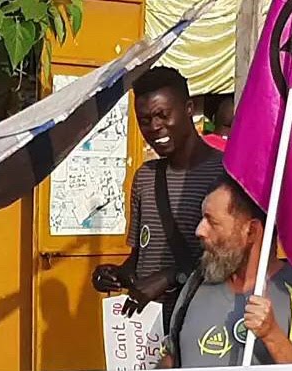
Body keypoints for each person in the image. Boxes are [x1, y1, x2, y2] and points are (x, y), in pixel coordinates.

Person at [159, 175, 292, 368]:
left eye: (212, 222)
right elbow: (171, 357)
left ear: (251, 231)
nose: (200, 230)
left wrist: (272, 335)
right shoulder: (197, 283)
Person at [92, 67, 225, 324]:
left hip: (201, 325)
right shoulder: (145, 177)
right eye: (144, 120)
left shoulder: (224, 174)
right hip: (146, 330)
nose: (154, 127)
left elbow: (234, 260)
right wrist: (116, 274)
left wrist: (170, 277)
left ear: (188, 109)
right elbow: (140, 258)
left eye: (162, 115)